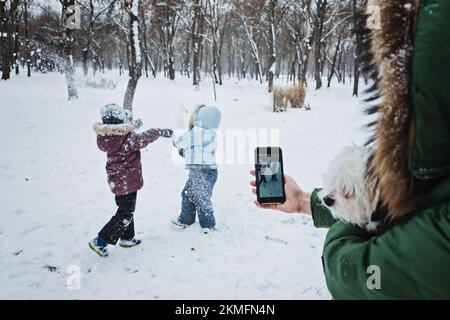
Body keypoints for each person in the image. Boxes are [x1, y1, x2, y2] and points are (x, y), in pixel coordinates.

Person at [251, 0, 450, 299]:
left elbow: (355, 273)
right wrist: (307, 201)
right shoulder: (430, 162)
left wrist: (340, 234)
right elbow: (393, 205)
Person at [89, 104, 173, 257]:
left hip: (116, 180)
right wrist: (158, 131)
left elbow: (121, 134)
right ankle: (101, 240)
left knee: (126, 209)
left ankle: (127, 238)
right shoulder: (128, 139)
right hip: (127, 181)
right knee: (125, 213)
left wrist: (132, 126)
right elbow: (143, 139)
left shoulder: (106, 137)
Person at [172, 105, 221, 234]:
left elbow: (178, 141)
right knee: (189, 194)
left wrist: (174, 139)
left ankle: (208, 225)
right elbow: (198, 152)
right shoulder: (211, 134)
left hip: (201, 172)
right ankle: (186, 219)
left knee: (200, 198)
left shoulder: (196, 132)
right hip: (207, 172)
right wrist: (186, 152)